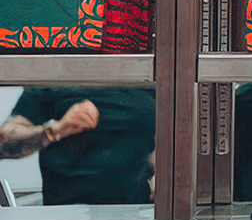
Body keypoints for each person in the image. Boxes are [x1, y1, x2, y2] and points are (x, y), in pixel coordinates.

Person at [0, 86, 155, 205]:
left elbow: (166, 135)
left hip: (135, 212)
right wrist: (55, 130)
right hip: (66, 215)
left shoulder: (143, 78)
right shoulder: (53, 82)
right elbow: (4, 142)